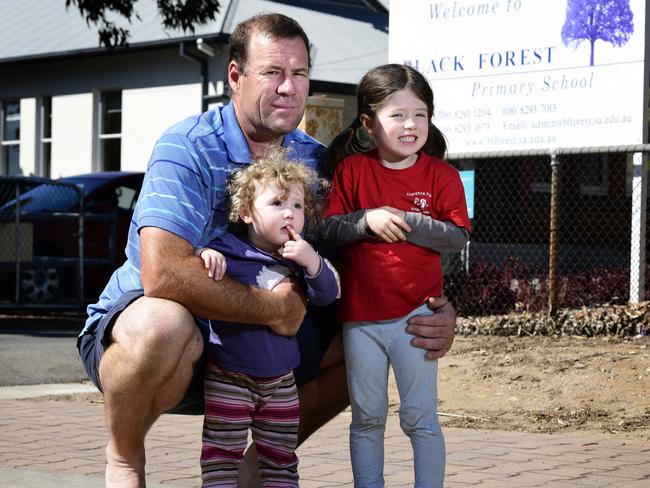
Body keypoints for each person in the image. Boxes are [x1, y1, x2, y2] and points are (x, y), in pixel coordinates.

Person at [76, 13, 457, 488]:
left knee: (369, 344)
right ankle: (125, 457)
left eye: (299, 74)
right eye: (273, 72)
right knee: (161, 325)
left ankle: (253, 472)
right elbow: (162, 274)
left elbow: (370, 258)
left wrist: (433, 310)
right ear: (235, 76)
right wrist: (271, 309)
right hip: (174, 344)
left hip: (264, 351)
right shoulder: (188, 146)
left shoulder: (318, 162)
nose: (288, 87)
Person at [320, 63, 471, 488]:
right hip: (361, 321)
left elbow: (458, 235)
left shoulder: (442, 176)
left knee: (419, 417)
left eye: (420, 114)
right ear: (368, 123)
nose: (410, 125)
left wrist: (407, 218)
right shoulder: (352, 171)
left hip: (417, 318)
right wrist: (367, 219)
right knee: (367, 417)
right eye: (397, 115)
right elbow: (327, 229)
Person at [196, 151, 339, 487]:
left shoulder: (299, 255)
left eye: (298, 206)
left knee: (280, 460)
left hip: (281, 382)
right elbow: (195, 260)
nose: (290, 213)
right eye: (277, 203)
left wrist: (313, 263)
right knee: (221, 458)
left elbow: (328, 294)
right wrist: (205, 254)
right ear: (246, 212)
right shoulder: (229, 248)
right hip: (229, 376)